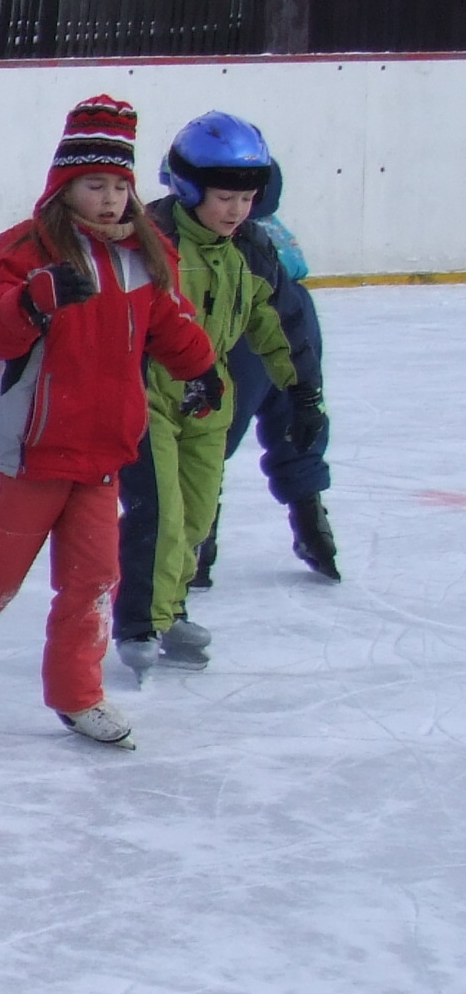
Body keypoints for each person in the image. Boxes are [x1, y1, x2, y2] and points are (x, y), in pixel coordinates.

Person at [0, 98, 214, 749]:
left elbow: (171, 322)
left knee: (94, 581)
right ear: (63, 186)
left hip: (102, 451)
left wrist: (202, 368)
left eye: (121, 186)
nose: (109, 199)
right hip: (36, 448)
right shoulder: (29, 249)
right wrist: (34, 300)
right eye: (95, 185)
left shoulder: (144, 256)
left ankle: (78, 694)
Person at [114, 112, 323, 675]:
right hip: (146, 392)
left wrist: (305, 397)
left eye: (247, 198)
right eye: (225, 197)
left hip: (210, 396)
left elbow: (281, 328)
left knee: (197, 515)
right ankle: (137, 620)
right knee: (158, 508)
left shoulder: (251, 252)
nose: (236, 210)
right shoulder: (148, 241)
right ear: (188, 188)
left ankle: (171, 608)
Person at [187, 153, 342, 586]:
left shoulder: (228, 241)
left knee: (209, 432)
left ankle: (201, 538)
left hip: (246, 330)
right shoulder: (269, 235)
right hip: (290, 323)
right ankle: (312, 522)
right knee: (294, 420)